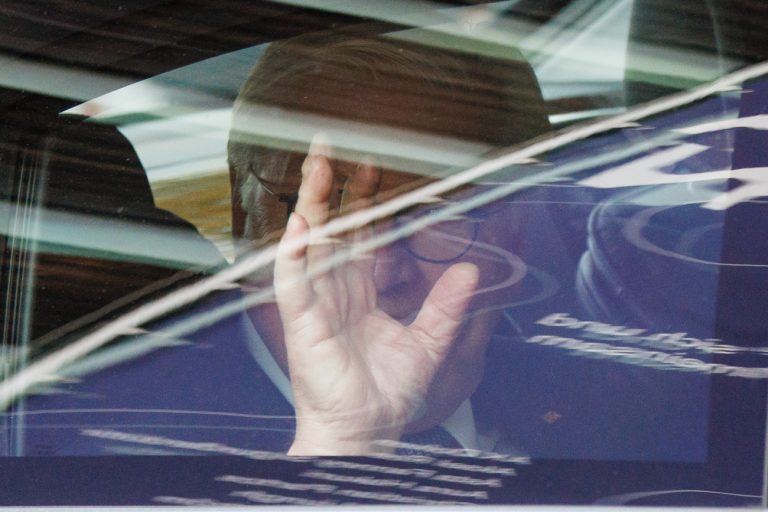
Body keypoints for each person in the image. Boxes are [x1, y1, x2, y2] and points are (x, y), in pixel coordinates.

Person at [227, 30, 550, 455]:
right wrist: (340, 444)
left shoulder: (615, 400)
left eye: (437, 213)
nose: (380, 275)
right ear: (243, 215)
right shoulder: (129, 442)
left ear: (519, 232)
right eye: (329, 209)